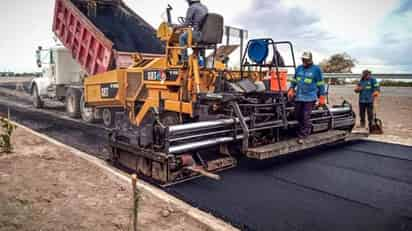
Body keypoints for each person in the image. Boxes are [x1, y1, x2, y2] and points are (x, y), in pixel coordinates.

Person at [288, 51, 326, 144]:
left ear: (310, 59)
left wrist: (322, 96)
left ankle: (303, 135)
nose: (304, 61)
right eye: (303, 59)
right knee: (297, 115)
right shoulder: (299, 68)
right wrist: (291, 88)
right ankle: (305, 128)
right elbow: (294, 79)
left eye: (306, 59)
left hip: (310, 97)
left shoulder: (316, 70)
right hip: (299, 96)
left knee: (305, 115)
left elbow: (320, 83)